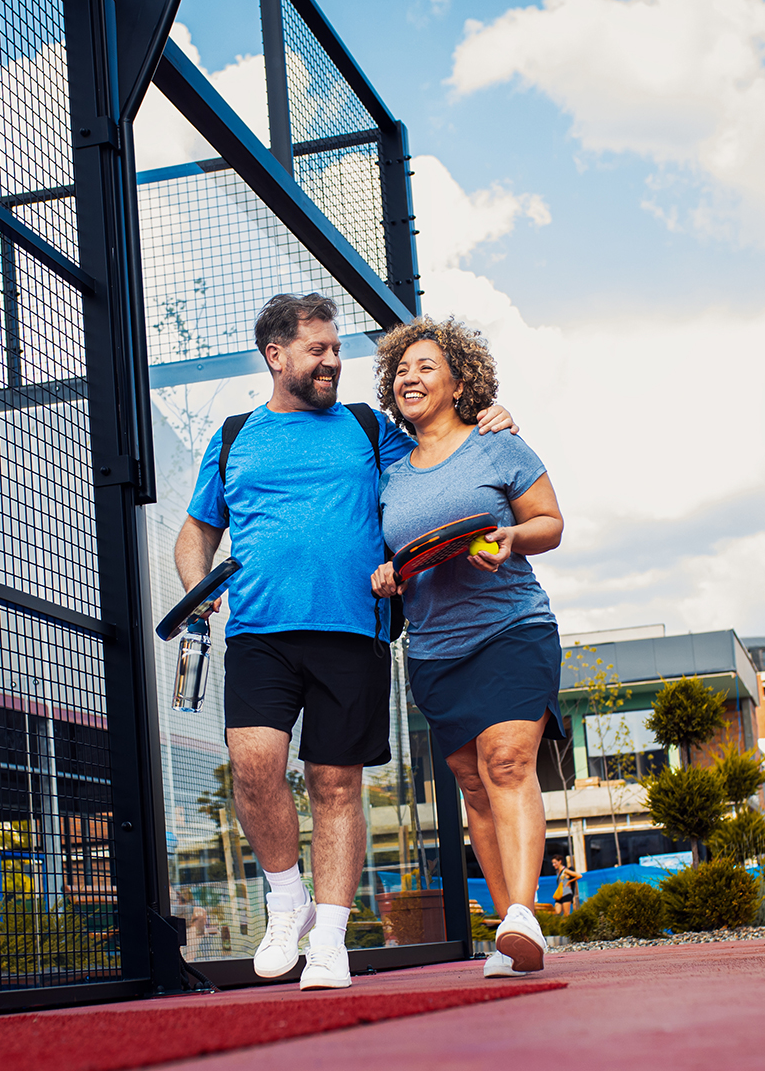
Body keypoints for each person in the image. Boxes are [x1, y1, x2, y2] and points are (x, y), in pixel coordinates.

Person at [174, 294, 515, 990]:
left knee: (334, 784)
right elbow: (195, 534)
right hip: (260, 633)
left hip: (353, 633)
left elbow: (441, 451)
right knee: (254, 768)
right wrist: (197, 585)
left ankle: (328, 939)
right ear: (277, 357)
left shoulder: (367, 427)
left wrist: (492, 424)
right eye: (319, 350)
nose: (333, 362)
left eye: (336, 350)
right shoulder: (235, 436)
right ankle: (285, 902)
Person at [370, 315, 564, 980]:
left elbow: (550, 522)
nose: (410, 377)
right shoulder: (388, 467)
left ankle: (525, 915)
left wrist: (513, 538)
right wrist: (386, 575)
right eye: (401, 369)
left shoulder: (498, 444)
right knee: (474, 786)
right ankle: (513, 928)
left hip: (512, 626)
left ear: (459, 381)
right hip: (433, 648)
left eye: (426, 366)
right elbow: (384, 555)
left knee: (506, 762)